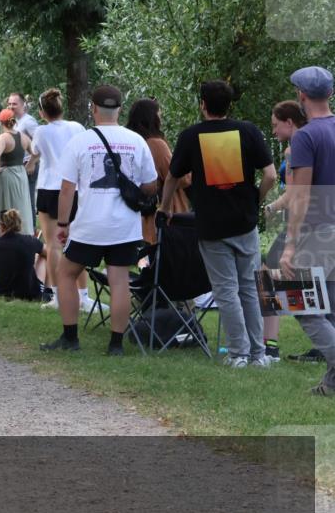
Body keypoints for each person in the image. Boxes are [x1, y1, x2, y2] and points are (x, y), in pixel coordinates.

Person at [160, 80, 277, 368]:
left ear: (202, 104)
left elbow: (173, 176)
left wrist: (164, 207)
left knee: (225, 290)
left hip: (211, 226)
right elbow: (271, 175)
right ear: (229, 105)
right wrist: (255, 200)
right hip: (244, 223)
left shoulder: (191, 136)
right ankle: (258, 355)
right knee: (250, 288)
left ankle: (238, 353)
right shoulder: (248, 131)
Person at [42, 85, 157, 356]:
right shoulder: (136, 140)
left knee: (67, 274)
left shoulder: (81, 141)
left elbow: (67, 188)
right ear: (119, 110)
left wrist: (62, 225)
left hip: (88, 226)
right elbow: (151, 185)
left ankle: (70, 337)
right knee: (119, 280)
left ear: (93, 109)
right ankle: (116, 344)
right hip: (125, 227)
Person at [280, 65, 335, 395]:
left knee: (300, 304)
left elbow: (299, 196)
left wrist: (289, 245)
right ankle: (330, 386)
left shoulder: (305, 136)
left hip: (317, 231)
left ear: (302, 96)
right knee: (329, 306)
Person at [264, 101, 312, 362]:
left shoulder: (293, 151)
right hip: (320, 222)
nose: (273, 131)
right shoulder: (316, 141)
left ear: (289, 122)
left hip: (300, 222)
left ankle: (270, 344)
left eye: (275, 125)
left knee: (269, 273)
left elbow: (294, 195)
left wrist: (270, 206)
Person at [28, 88, 85, 307]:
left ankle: (55, 293)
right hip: (74, 188)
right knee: (75, 242)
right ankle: (83, 294)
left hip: (49, 188)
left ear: (43, 113)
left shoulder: (42, 132)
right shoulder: (77, 127)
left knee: (52, 244)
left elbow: (34, 150)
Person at [126, 98, 191, 245]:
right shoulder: (156, 144)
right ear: (152, 117)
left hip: (140, 214)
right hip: (164, 213)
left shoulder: (132, 143)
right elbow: (178, 176)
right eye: (159, 114)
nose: (161, 118)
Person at [0, 109, 33, 236]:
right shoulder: (23, 137)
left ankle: (7, 235)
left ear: (1, 122)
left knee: (7, 205)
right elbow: (36, 152)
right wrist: (29, 164)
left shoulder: (3, 138)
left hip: (7, 174)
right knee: (22, 205)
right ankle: (24, 232)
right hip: (21, 173)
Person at [0, 209, 45, 300]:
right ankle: (48, 288)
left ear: (1, 226)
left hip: (2, 292)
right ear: (19, 224)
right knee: (42, 255)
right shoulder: (29, 241)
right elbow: (48, 253)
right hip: (29, 293)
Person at [9, 92, 40, 223]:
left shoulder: (29, 121)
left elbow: (40, 143)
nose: (11, 106)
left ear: (22, 105)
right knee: (19, 200)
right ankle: (21, 230)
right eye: (9, 103)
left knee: (27, 200)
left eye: (14, 104)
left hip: (28, 166)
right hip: (17, 166)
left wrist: (32, 162)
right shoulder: (14, 122)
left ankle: (31, 231)